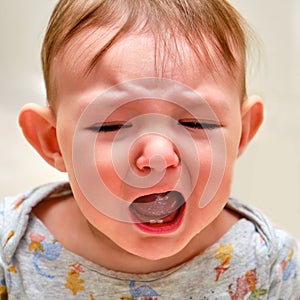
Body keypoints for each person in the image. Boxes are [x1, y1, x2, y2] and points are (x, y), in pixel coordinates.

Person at [1, 0, 299, 298]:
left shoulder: (268, 260)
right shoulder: (10, 246)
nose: (158, 156)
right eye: (112, 126)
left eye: (194, 123)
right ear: (52, 140)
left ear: (242, 132)